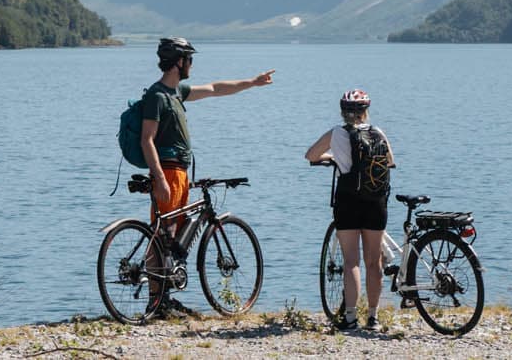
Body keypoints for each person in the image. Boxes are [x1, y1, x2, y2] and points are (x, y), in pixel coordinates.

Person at [139, 36, 273, 311]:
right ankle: (155, 301)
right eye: (189, 59)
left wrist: (252, 82)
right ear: (179, 61)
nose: (192, 64)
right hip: (168, 172)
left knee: (170, 234)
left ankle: (162, 299)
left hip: (180, 173)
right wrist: (161, 179)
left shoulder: (177, 92)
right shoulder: (156, 95)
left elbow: (215, 88)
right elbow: (146, 140)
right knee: (161, 234)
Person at [304, 87, 396, 331]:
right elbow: (391, 162)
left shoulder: (336, 133)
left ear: (343, 111)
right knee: (374, 262)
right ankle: (374, 318)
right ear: (366, 111)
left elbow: (310, 155)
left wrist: (332, 158)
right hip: (376, 202)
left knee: (352, 262)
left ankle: (351, 317)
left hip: (348, 202)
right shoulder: (378, 132)